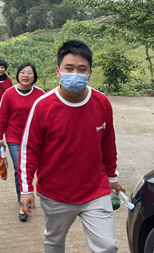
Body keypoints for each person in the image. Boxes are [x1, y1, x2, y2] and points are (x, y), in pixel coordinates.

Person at [19, 40, 124, 253]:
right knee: (54, 242)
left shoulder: (102, 103)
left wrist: (112, 178)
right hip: (56, 194)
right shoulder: (43, 106)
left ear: (90, 73)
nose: (75, 73)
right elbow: (29, 149)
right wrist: (26, 188)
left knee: (107, 246)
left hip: (95, 190)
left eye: (81, 69)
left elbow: (108, 144)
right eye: (69, 68)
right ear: (58, 71)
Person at [0, 62, 44, 222]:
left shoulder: (40, 94)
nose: (26, 75)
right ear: (17, 75)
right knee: (19, 168)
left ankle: (34, 192)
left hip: (35, 138)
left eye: (29, 73)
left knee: (36, 168)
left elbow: (47, 117)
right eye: (22, 72)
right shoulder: (9, 94)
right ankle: (23, 201)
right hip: (15, 138)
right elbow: (2, 117)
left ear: (34, 76)